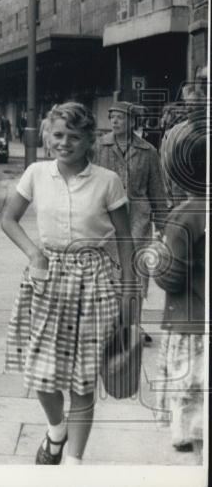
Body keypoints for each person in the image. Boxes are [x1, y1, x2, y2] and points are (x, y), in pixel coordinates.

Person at [2, 102, 136, 466]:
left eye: (74, 137)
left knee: (82, 380)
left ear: (88, 140)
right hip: (47, 281)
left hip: (94, 283)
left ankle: (74, 463)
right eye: (59, 135)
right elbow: (9, 219)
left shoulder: (107, 181)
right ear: (48, 136)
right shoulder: (35, 173)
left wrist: (129, 292)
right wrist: (34, 254)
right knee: (43, 377)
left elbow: (125, 240)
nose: (65, 143)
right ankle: (56, 430)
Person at [153, 114, 206, 457]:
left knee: (194, 403)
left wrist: (157, 255)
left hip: (191, 324)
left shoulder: (185, 216)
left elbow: (170, 277)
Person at [94, 101, 168, 303]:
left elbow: (157, 190)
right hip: (106, 218)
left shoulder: (148, 151)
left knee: (136, 270)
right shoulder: (100, 147)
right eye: (112, 117)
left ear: (133, 121)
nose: (115, 121)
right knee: (108, 270)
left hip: (138, 219)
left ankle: (134, 323)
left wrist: (162, 225)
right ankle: (112, 321)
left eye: (120, 117)